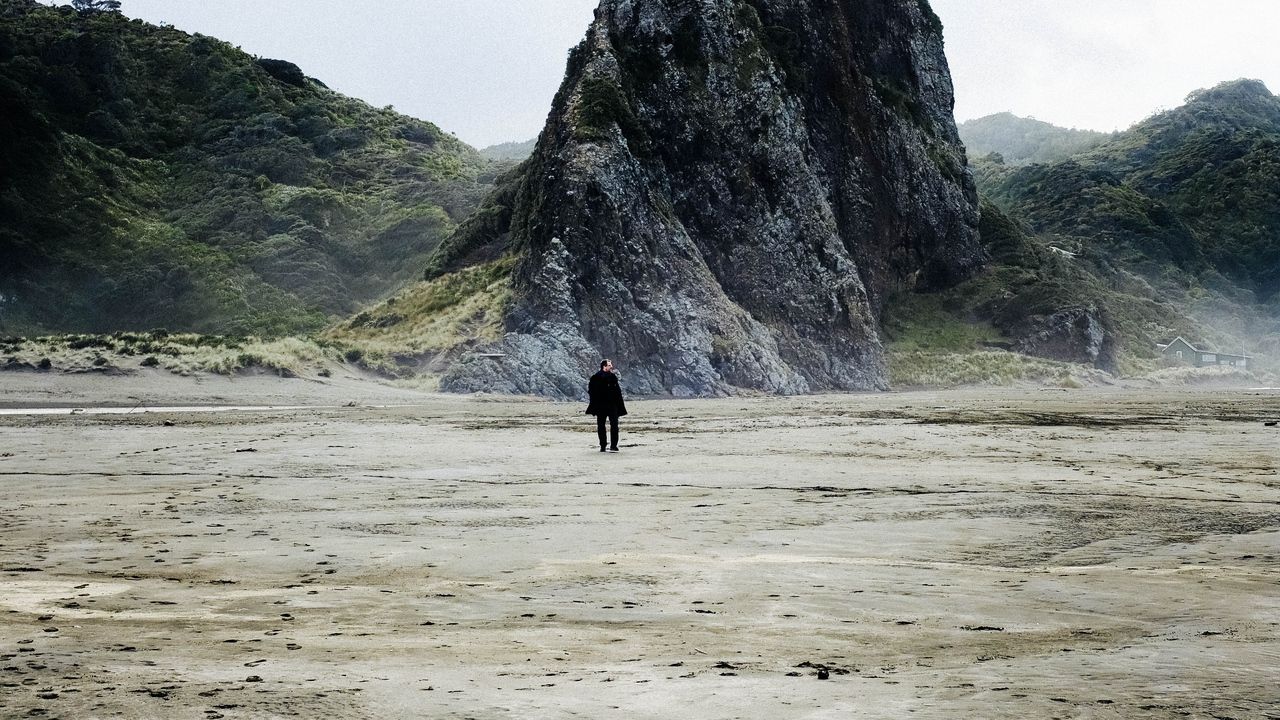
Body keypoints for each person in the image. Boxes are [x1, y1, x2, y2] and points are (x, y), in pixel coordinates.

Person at [586, 359, 627, 452]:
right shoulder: (595, 378)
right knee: (601, 426)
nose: (611, 366)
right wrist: (595, 403)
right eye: (609, 365)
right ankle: (603, 445)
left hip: (612, 405)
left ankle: (613, 445)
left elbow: (618, 392)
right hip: (601, 406)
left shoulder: (612, 377)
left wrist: (619, 404)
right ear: (604, 366)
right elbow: (591, 392)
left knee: (614, 425)